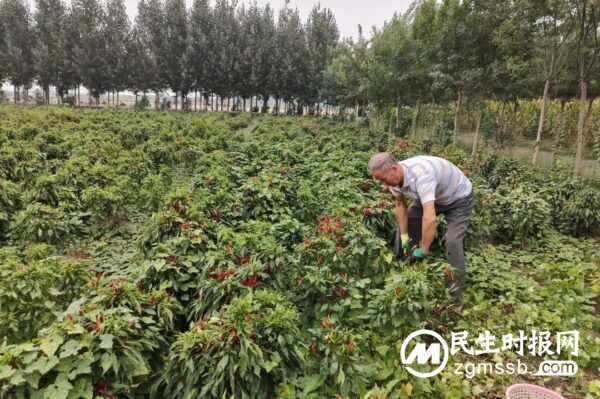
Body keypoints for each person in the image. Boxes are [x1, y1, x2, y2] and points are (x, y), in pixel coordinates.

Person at [368, 152, 475, 305]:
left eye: (384, 180)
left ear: (394, 169)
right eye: (380, 181)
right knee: (408, 223)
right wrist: (405, 235)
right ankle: (400, 272)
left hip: (459, 198)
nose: (384, 185)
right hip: (431, 195)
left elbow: (429, 218)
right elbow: (400, 204)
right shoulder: (394, 179)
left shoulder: (422, 174)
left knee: (452, 241)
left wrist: (423, 250)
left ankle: (455, 298)